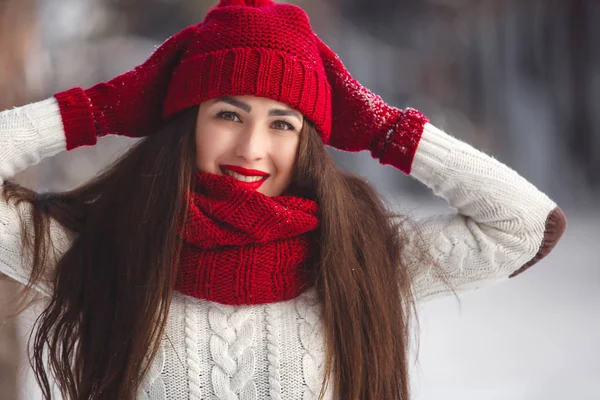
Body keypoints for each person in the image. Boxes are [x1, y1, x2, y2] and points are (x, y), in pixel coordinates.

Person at [0, 0, 567, 399]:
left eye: (282, 124)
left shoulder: (357, 257)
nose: (252, 148)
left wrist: (384, 128)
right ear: (184, 123)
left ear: (309, 142)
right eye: (228, 114)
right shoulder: (106, 250)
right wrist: (93, 110)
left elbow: (524, 225)